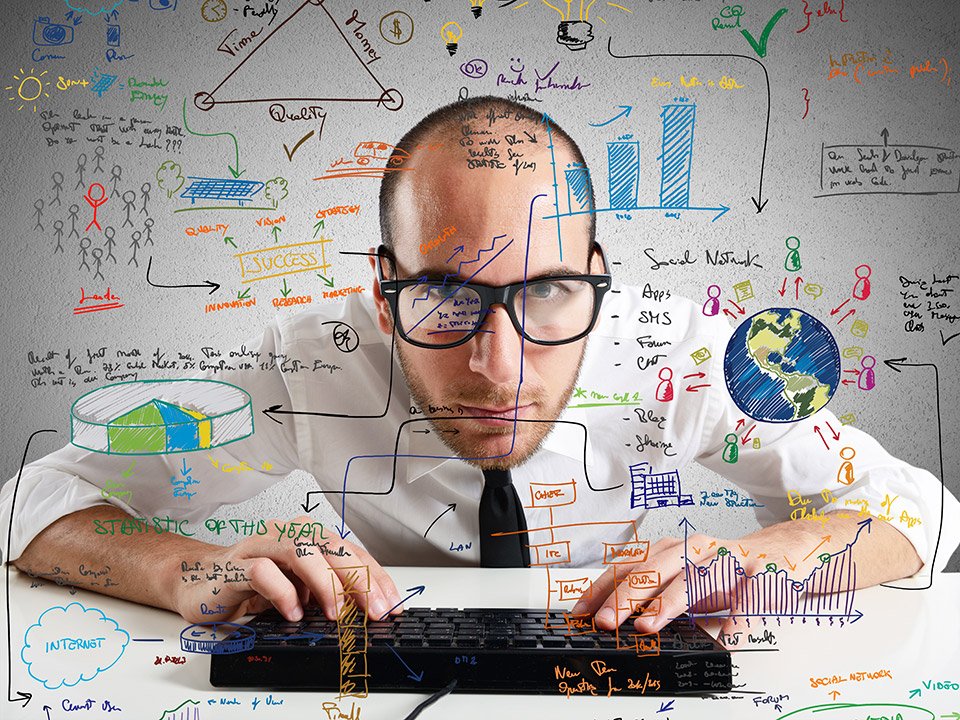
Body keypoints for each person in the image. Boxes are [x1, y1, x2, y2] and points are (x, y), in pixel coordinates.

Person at [2, 96, 958, 637]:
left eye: (547, 291)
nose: (500, 367)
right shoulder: (305, 365)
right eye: (448, 297)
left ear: (596, 279)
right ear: (383, 295)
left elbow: (920, 511)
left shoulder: (684, 361)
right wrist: (188, 570)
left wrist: (749, 562)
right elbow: (31, 501)